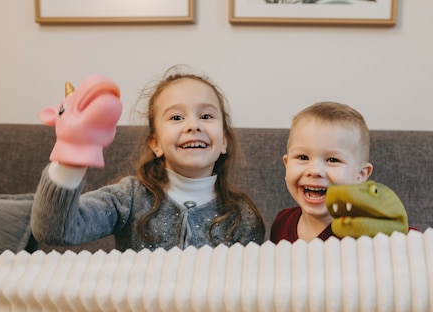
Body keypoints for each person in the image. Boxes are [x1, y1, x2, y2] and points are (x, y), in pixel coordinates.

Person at [31, 65, 265, 251]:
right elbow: (53, 231)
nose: (193, 125)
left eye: (205, 115)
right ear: (155, 143)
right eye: (176, 118)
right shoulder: (129, 198)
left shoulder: (241, 215)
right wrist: (71, 156)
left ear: (223, 140)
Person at [270, 101, 373, 243]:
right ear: (287, 165)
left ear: (360, 175)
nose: (314, 171)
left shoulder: (370, 232)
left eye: (332, 160)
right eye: (303, 157)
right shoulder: (282, 221)